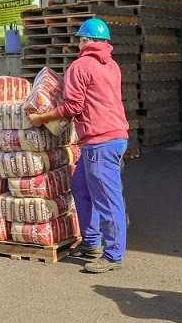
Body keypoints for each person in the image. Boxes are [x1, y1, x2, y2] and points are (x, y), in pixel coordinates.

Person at [28, 18, 129, 273]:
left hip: (100, 141)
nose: (79, 44)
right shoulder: (113, 65)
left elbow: (73, 107)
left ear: (85, 41)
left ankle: (113, 255)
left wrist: (41, 118)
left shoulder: (80, 66)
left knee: (107, 198)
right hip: (114, 137)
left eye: (80, 40)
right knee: (80, 187)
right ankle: (92, 242)